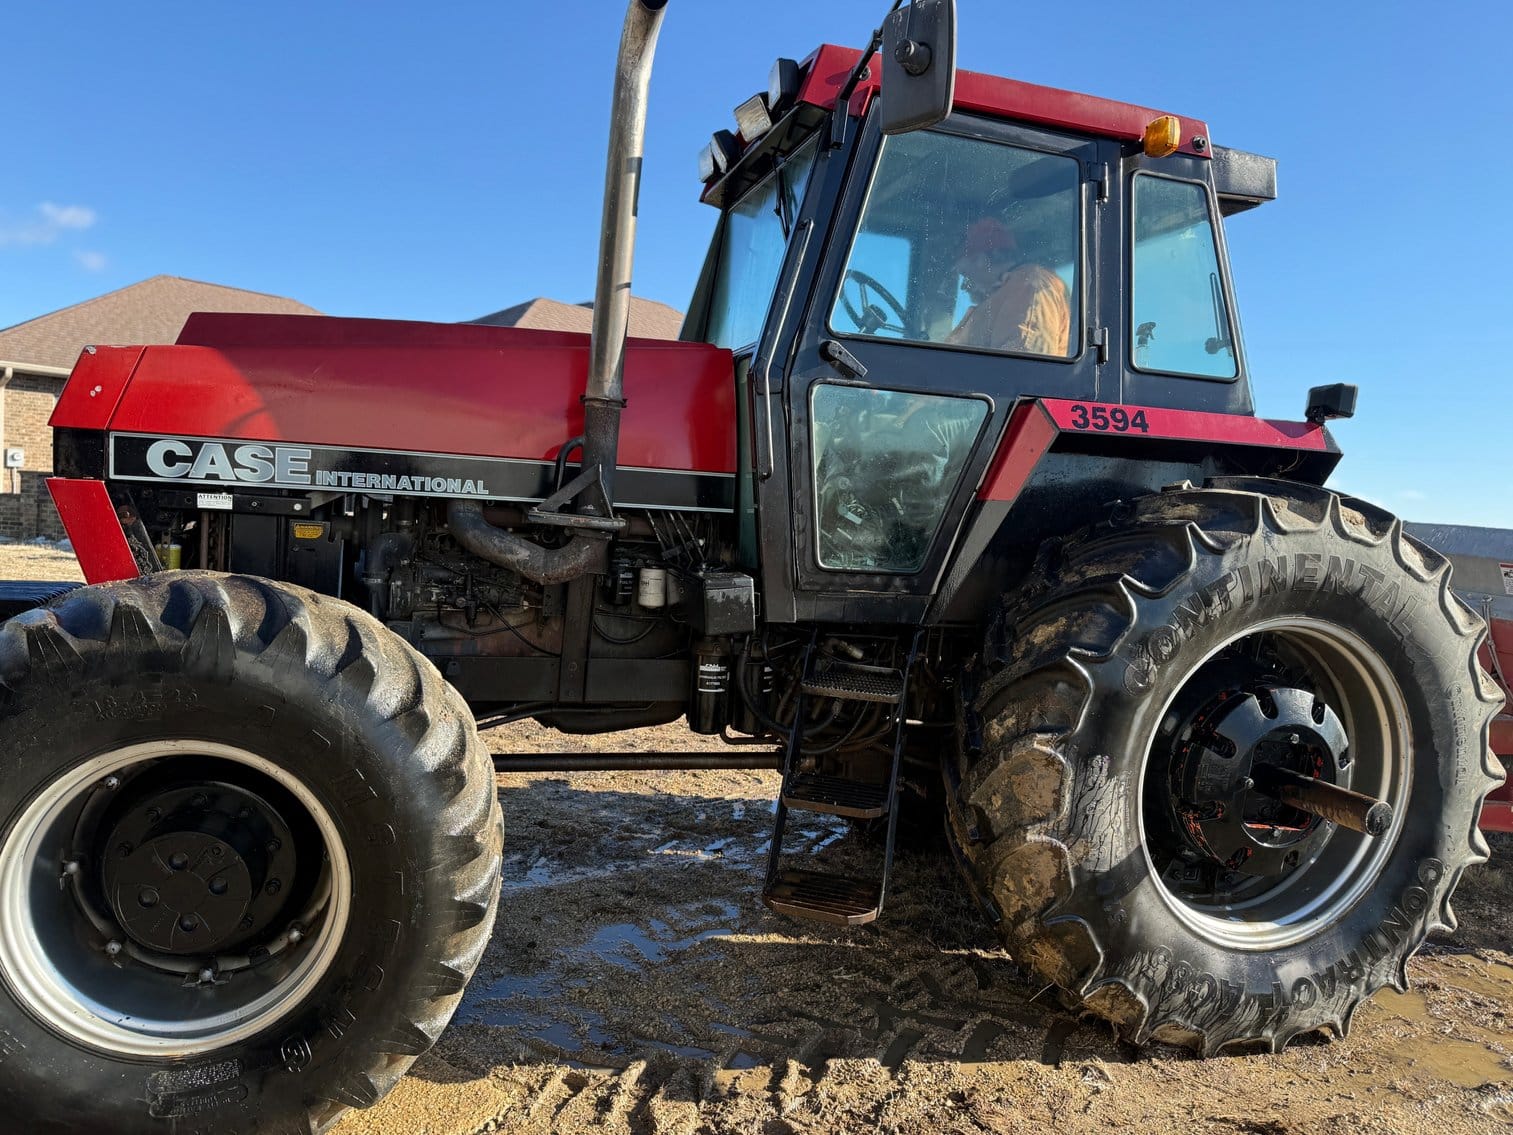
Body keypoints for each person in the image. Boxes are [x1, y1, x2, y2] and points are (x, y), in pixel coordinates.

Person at [946, 216, 1070, 356]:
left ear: (980, 260)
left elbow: (1023, 366)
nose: (964, 287)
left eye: (965, 274)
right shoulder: (1003, 295)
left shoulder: (1030, 285)